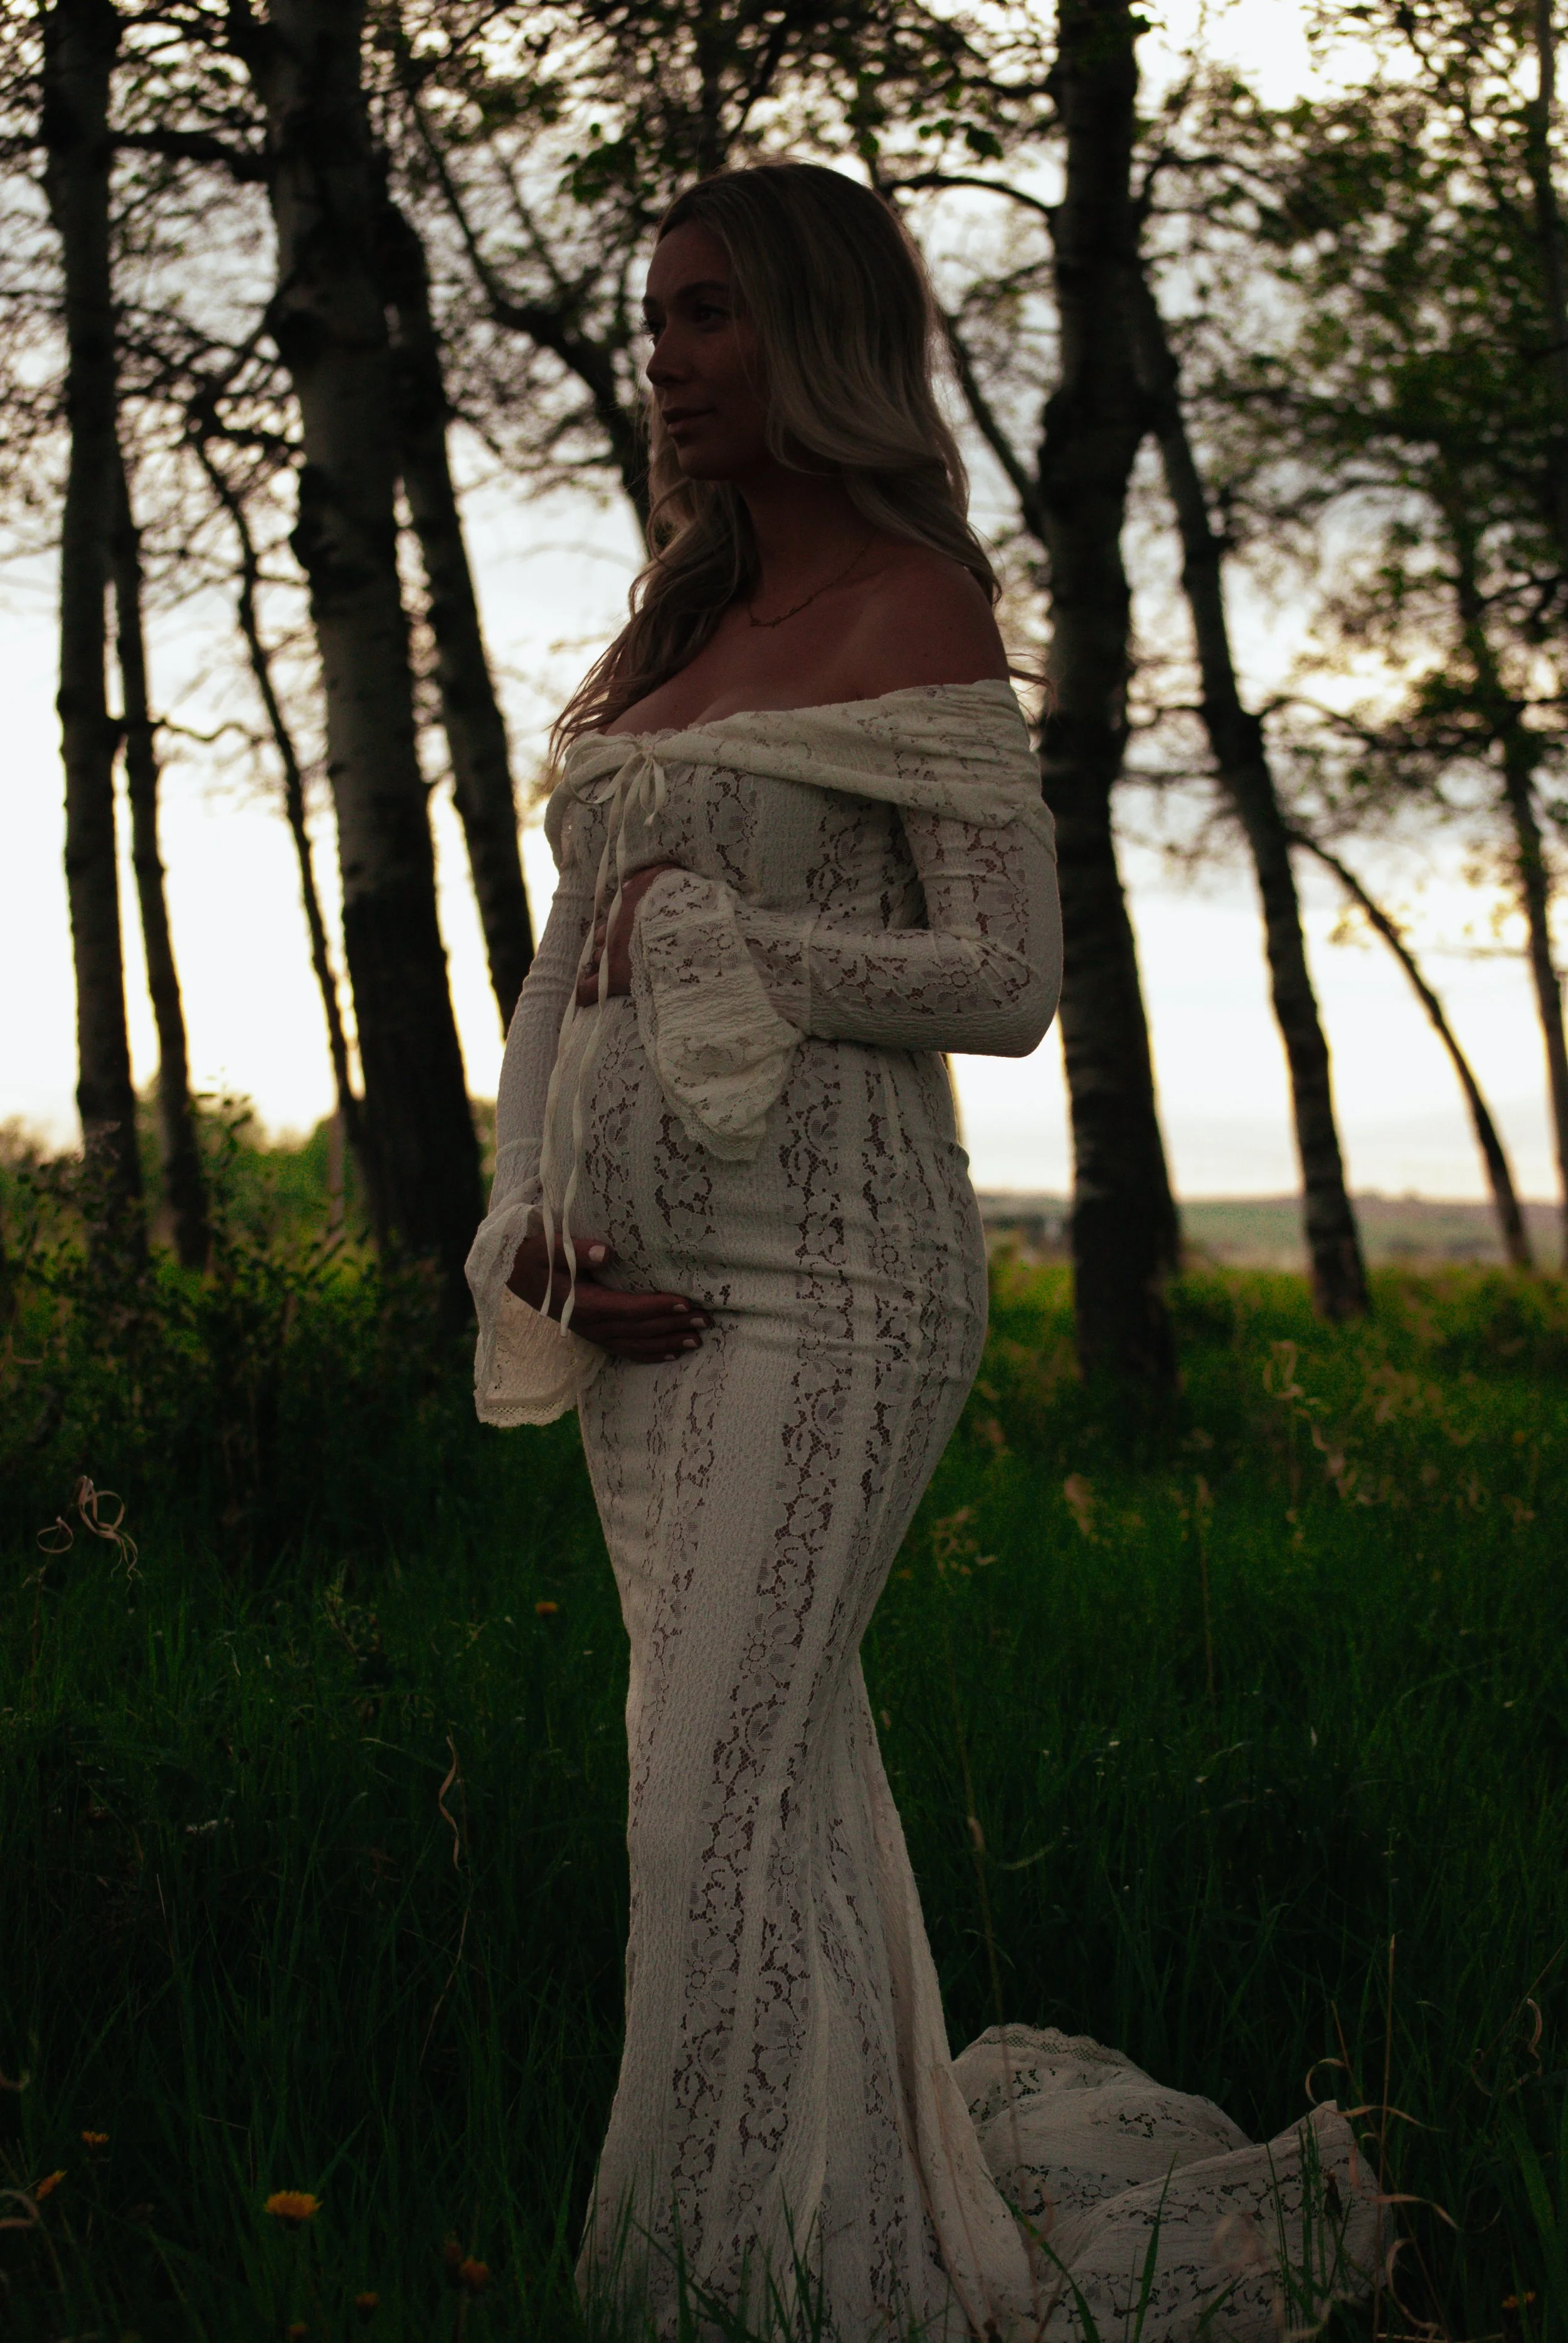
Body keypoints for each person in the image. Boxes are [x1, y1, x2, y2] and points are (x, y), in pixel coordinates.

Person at [466, 163, 1375, 2343]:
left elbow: (1001, 976)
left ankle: (710, 2291)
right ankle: (837, 2255)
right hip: (633, 1307)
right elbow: (559, 974)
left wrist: (729, 936)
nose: (665, 360)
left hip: (834, 1282)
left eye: (706, 314)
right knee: (760, 1792)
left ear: (815, 333)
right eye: (654, 318)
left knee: (702, 1809)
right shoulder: (666, 632)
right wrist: (519, 1226)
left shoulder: (919, 609)